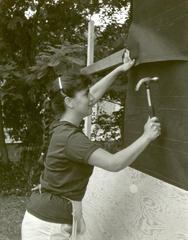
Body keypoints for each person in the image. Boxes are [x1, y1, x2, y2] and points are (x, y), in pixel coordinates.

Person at [21, 50, 161, 240]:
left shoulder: (60, 123)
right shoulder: (72, 138)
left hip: (53, 218)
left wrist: (120, 69)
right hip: (48, 226)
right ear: (69, 102)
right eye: (85, 94)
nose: (92, 99)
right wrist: (147, 136)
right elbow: (114, 163)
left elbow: (93, 95)